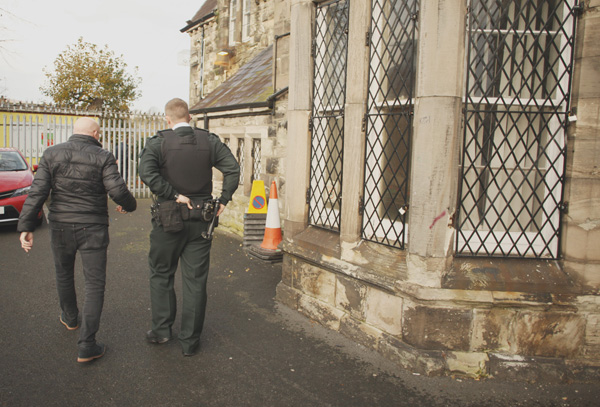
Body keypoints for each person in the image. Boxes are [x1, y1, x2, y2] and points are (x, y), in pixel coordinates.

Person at [17, 117, 137, 363]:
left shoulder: (51, 153)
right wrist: (130, 206)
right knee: (94, 284)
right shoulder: (103, 156)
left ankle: (70, 318)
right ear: (95, 133)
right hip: (93, 227)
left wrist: (26, 226)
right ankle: (87, 344)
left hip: (61, 226)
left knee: (63, 273)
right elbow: (117, 190)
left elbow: (37, 190)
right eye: (99, 133)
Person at [139, 98, 240, 356]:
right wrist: (224, 201)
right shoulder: (209, 141)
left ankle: (162, 332)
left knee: (161, 272)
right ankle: (189, 342)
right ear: (190, 118)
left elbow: (147, 173)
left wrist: (172, 194)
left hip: (168, 219)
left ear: (167, 119)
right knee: (195, 281)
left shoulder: (158, 142)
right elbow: (233, 170)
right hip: (202, 219)